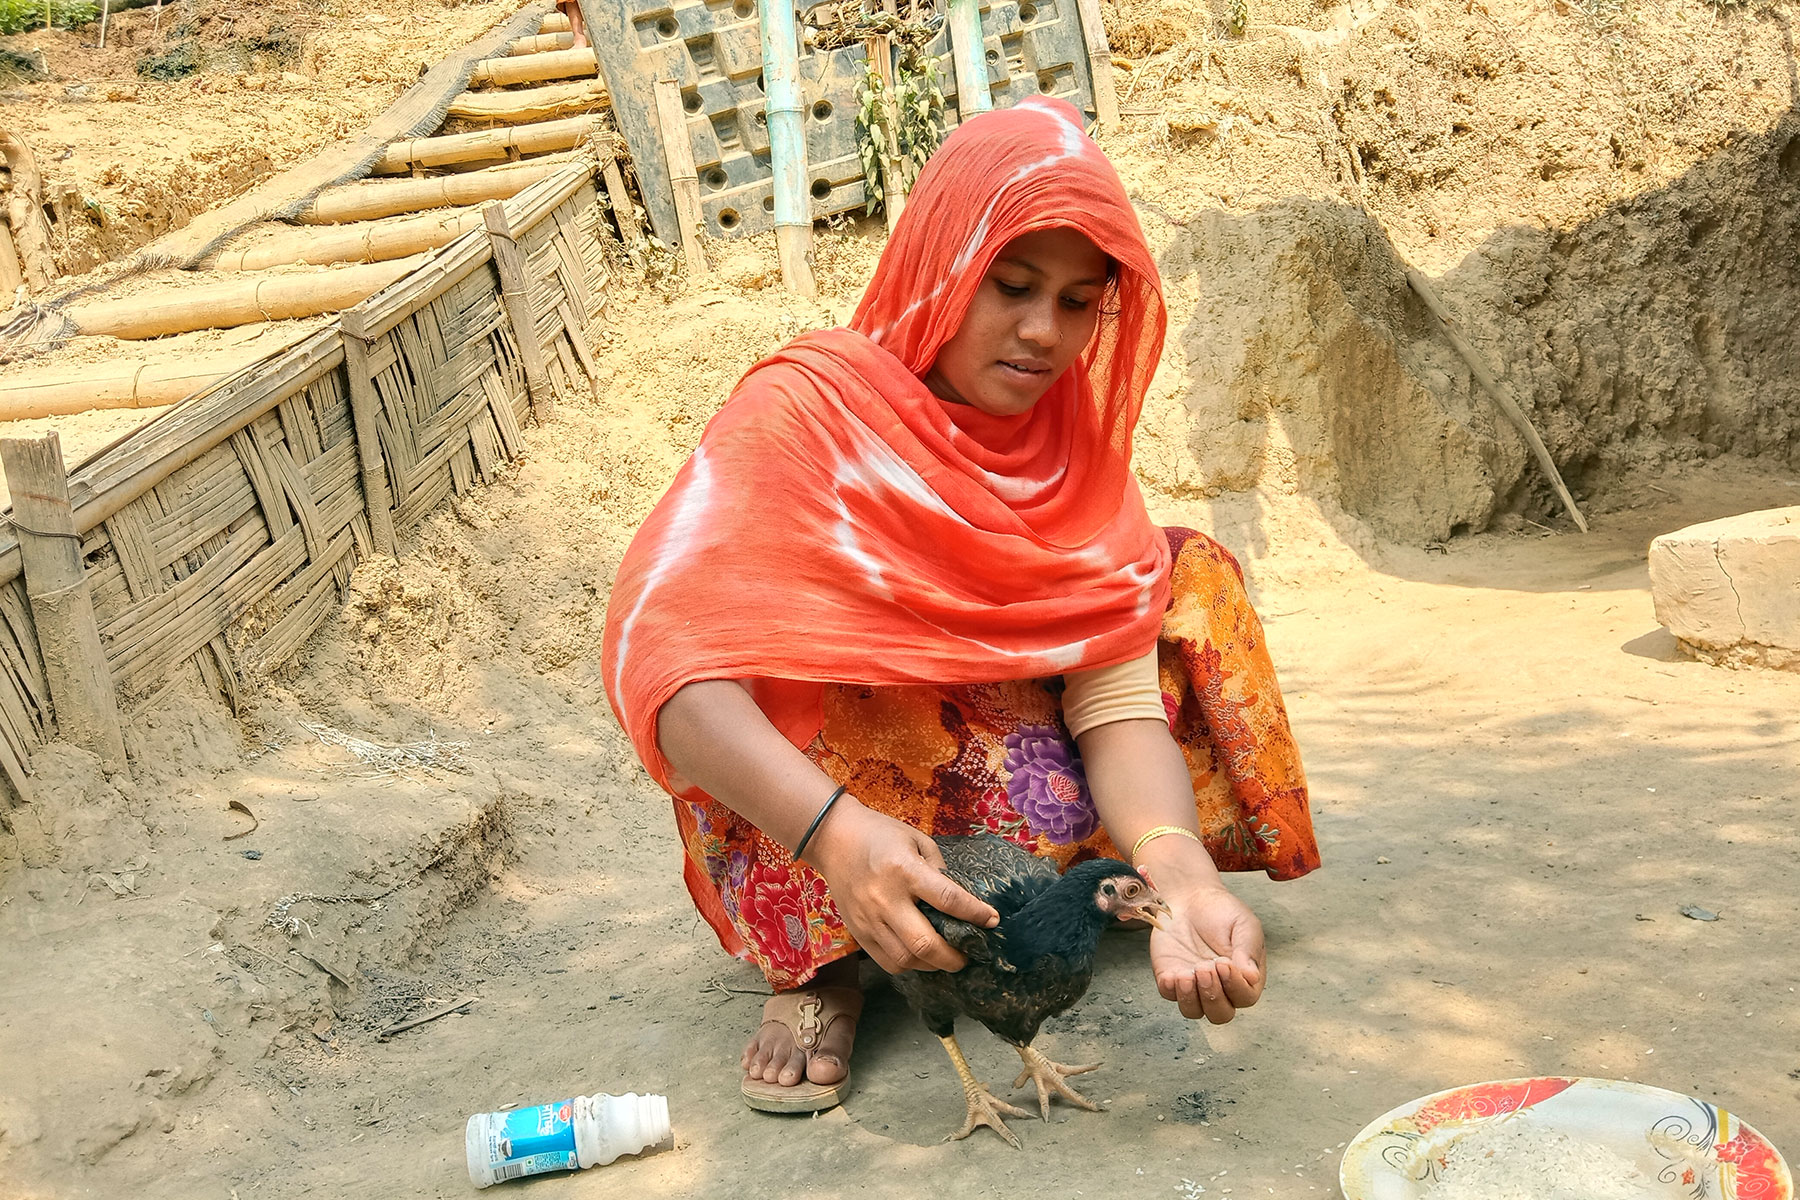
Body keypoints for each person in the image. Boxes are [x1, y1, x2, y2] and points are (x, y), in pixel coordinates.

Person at [601, 95, 1320, 1115]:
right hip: (834, 814)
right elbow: (669, 669)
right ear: (943, 262)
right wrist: (838, 841)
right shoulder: (805, 416)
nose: (1043, 333)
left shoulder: (1076, 456)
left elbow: (1113, 704)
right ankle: (824, 960)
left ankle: (1047, 902)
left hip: (1006, 808)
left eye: (1080, 303)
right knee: (805, 652)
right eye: (1013, 285)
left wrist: (1179, 869)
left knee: (1188, 575)